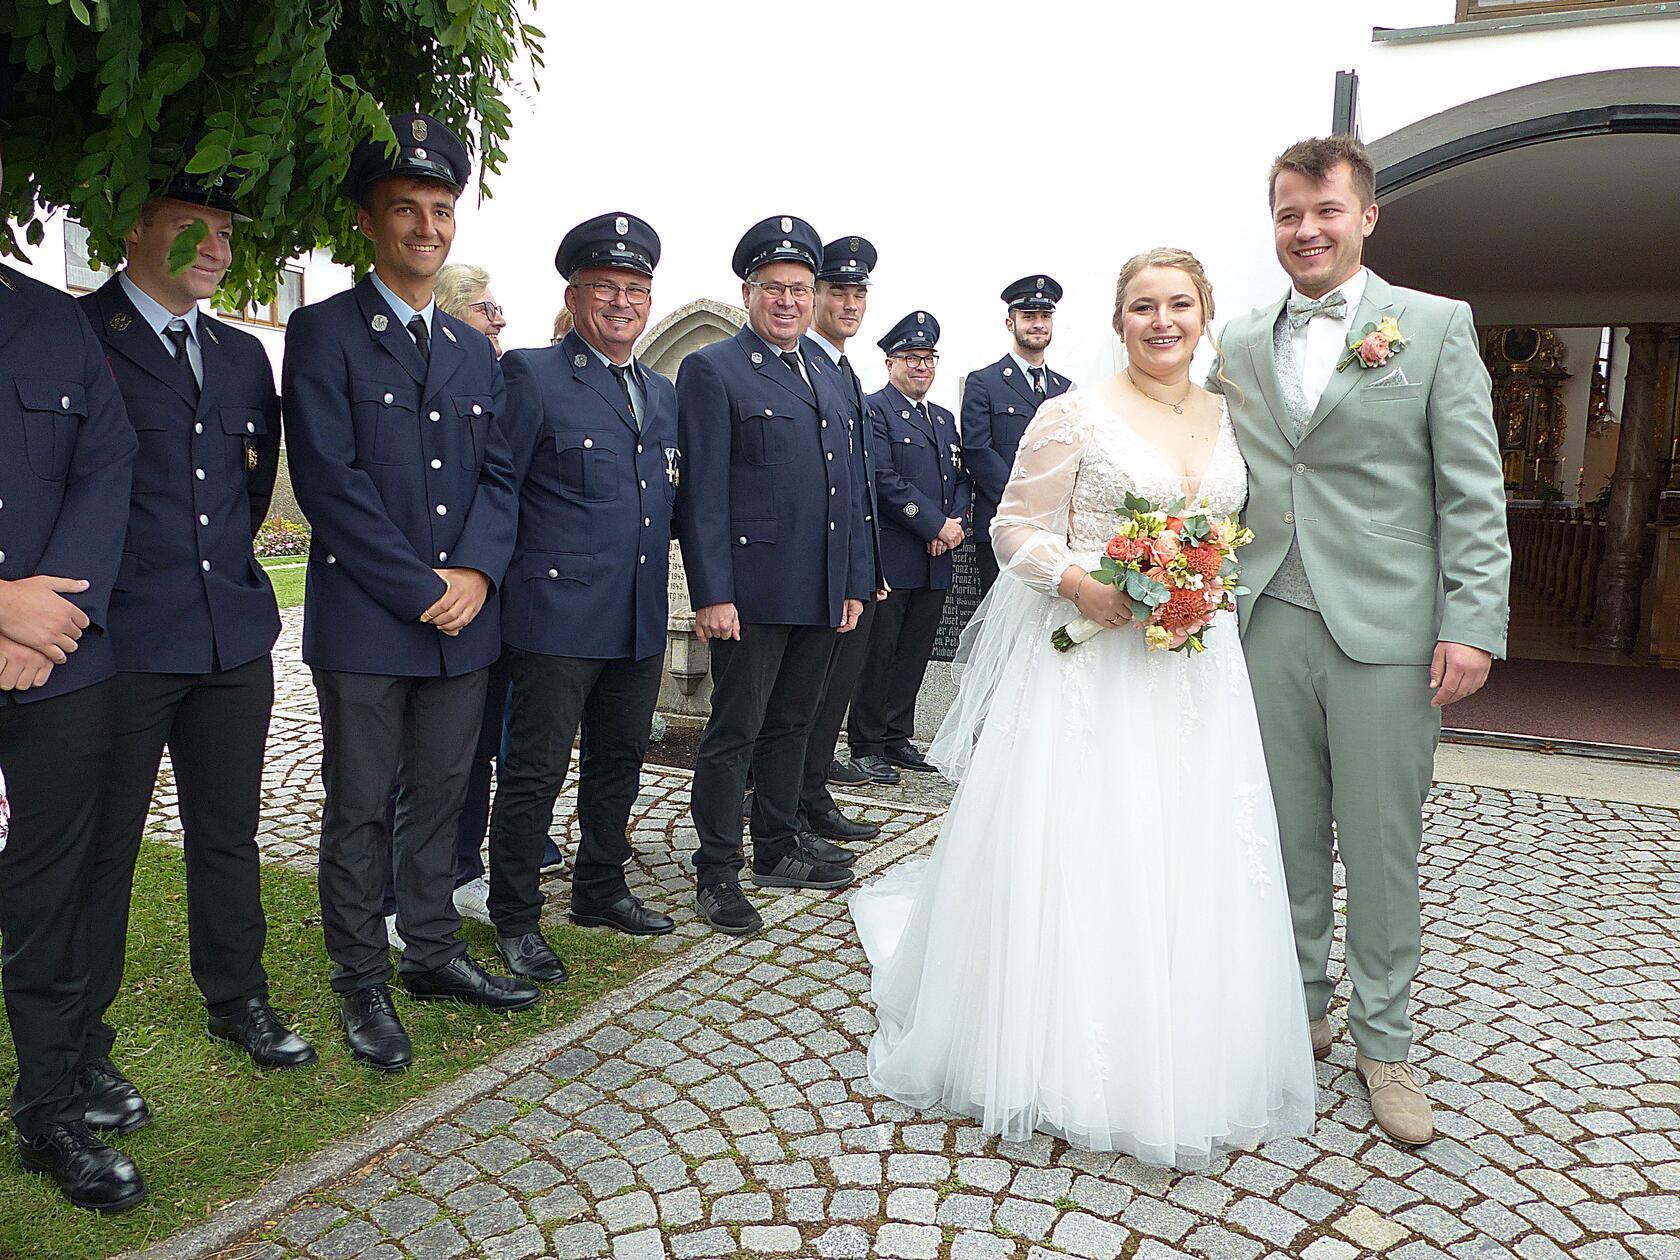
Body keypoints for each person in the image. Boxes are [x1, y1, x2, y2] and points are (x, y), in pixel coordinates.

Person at [850, 249, 1316, 1166]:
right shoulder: (1074, 414)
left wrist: (1205, 582)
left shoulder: (1235, 418)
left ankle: (1184, 1035)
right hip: (1092, 662)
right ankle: (1057, 1048)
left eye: (1179, 304)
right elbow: (1013, 527)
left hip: (1198, 666)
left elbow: (1241, 529)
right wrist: (1081, 583)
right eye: (1142, 306)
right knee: (1091, 838)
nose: (1161, 321)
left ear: (1204, 315)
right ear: (1118, 321)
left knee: (1189, 839)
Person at [1213, 135, 1509, 1146]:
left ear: (1367, 217)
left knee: (1380, 845)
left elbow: (1472, 488)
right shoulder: (1239, 341)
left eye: (1326, 210)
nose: (1307, 230)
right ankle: (1300, 1011)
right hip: (1265, 620)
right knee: (1283, 834)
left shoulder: (1431, 325)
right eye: (1290, 214)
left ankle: (1386, 1044)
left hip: (1389, 630)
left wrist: (1471, 622)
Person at [284, 111, 536, 1073]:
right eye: (406, 209)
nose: (427, 227)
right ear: (368, 220)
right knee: (360, 807)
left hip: (463, 620)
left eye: (441, 210)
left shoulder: (473, 350)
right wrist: (421, 584)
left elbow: (500, 476)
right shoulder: (323, 332)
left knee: (441, 795)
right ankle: (361, 978)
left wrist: (473, 572)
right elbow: (328, 481)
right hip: (367, 620)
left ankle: (429, 949)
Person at [77, 163, 316, 1110]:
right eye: (193, 227)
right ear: (134, 230)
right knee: (103, 849)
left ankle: (238, 998)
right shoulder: (82, 334)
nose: (216, 248)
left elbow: (248, 490)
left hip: (229, 634)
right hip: (123, 637)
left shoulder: (240, 353)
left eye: (224, 232)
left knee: (228, 833)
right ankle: (79, 1043)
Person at [0, 66, 149, 1211]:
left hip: (61, 661)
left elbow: (109, 465)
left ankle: (49, 1106)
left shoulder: (51, 318)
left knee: (57, 895)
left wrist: (50, 617)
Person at [486, 212, 680, 982]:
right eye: (605, 286)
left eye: (636, 289)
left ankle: (600, 887)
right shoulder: (531, 375)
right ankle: (514, 915)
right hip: (555, 619)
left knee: (619, 760)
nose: (622, 302)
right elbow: (498, 489)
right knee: (534, 772)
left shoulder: (660, 393)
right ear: (573, 296)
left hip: (636, 615)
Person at [674, 215, 871, 936]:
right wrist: (713, 594)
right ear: (748, 292)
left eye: (799, 289)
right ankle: (717, 871)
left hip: (817, 587)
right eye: (774, 288)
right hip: (752, 593)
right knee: (736, 731)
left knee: (794, 723)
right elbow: (703, 493)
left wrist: (852, 582)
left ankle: (778, 845)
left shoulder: (824, 371)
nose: (788, 301)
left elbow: (847, 488)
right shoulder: (714, 369)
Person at [380, 263, 558, 943]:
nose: (500, 319)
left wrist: (481, 571)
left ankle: (460, 870)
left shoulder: (498, 377)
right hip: (423, 592)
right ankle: (394, 893)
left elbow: (505, 481)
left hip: (492, 593)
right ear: (451, 315)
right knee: (411, 760)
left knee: (474, 750)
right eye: (486, 309)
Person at [848, 313, 970, 781]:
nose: (921, 366)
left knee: (914, 651)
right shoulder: (874, 410)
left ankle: (898, 736)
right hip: (895, 554)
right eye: (911, 358)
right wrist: (934, 525)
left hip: (936, 558)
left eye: (928, 358)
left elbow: (960, 478)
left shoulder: (942, 419)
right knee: (879, 652)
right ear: (890, 363)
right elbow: (883, 479)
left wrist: (953, 525)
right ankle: (867, 743)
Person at [796, 236, 888, 833]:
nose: (850, 304)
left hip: (850, 565)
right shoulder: (805, 365)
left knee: (831, 695)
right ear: (815, 296)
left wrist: (868, 566)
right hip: (815, 569)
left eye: (859, 293)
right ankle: (794, 802)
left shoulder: (842, 368)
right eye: (838, 291)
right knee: (806, 701)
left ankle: (810, 794)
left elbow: (859, 484)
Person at [961, 276, 1074, 594]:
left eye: (1045, 316)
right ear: (1010, 323)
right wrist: (1025, 503)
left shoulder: (1066, 390)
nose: (1038, 324)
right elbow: (977, 450)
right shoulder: (984, 382)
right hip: (1003, 524)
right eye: (1028, 316)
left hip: (1054, 531)